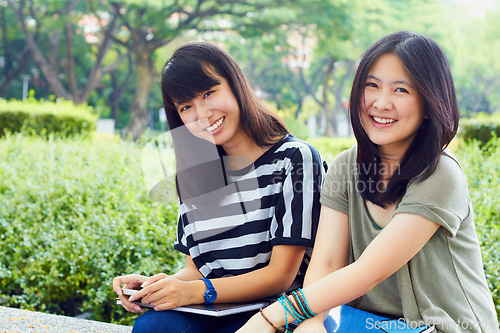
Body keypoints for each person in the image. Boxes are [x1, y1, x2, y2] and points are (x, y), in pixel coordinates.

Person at [237, 31, 499, 333]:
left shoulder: (440, 174)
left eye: (401, 90)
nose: (381, 102)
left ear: (429, 104)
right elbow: (327, 263)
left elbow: (368, 272)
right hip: (364, 325)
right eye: (371, 85)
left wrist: (270, 317)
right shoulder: (345, 167)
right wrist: (311, 322)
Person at [112, 41, 326, 333]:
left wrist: (198, 291)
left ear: (235, 85)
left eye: (209, 93)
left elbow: (281, 276)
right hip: (215, 308)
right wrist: (155, 286)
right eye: (186, 107)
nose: (202, 115)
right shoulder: (195, 174)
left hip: (277, 313)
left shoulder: (294, 159)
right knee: (154, 326)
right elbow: (195, 270)